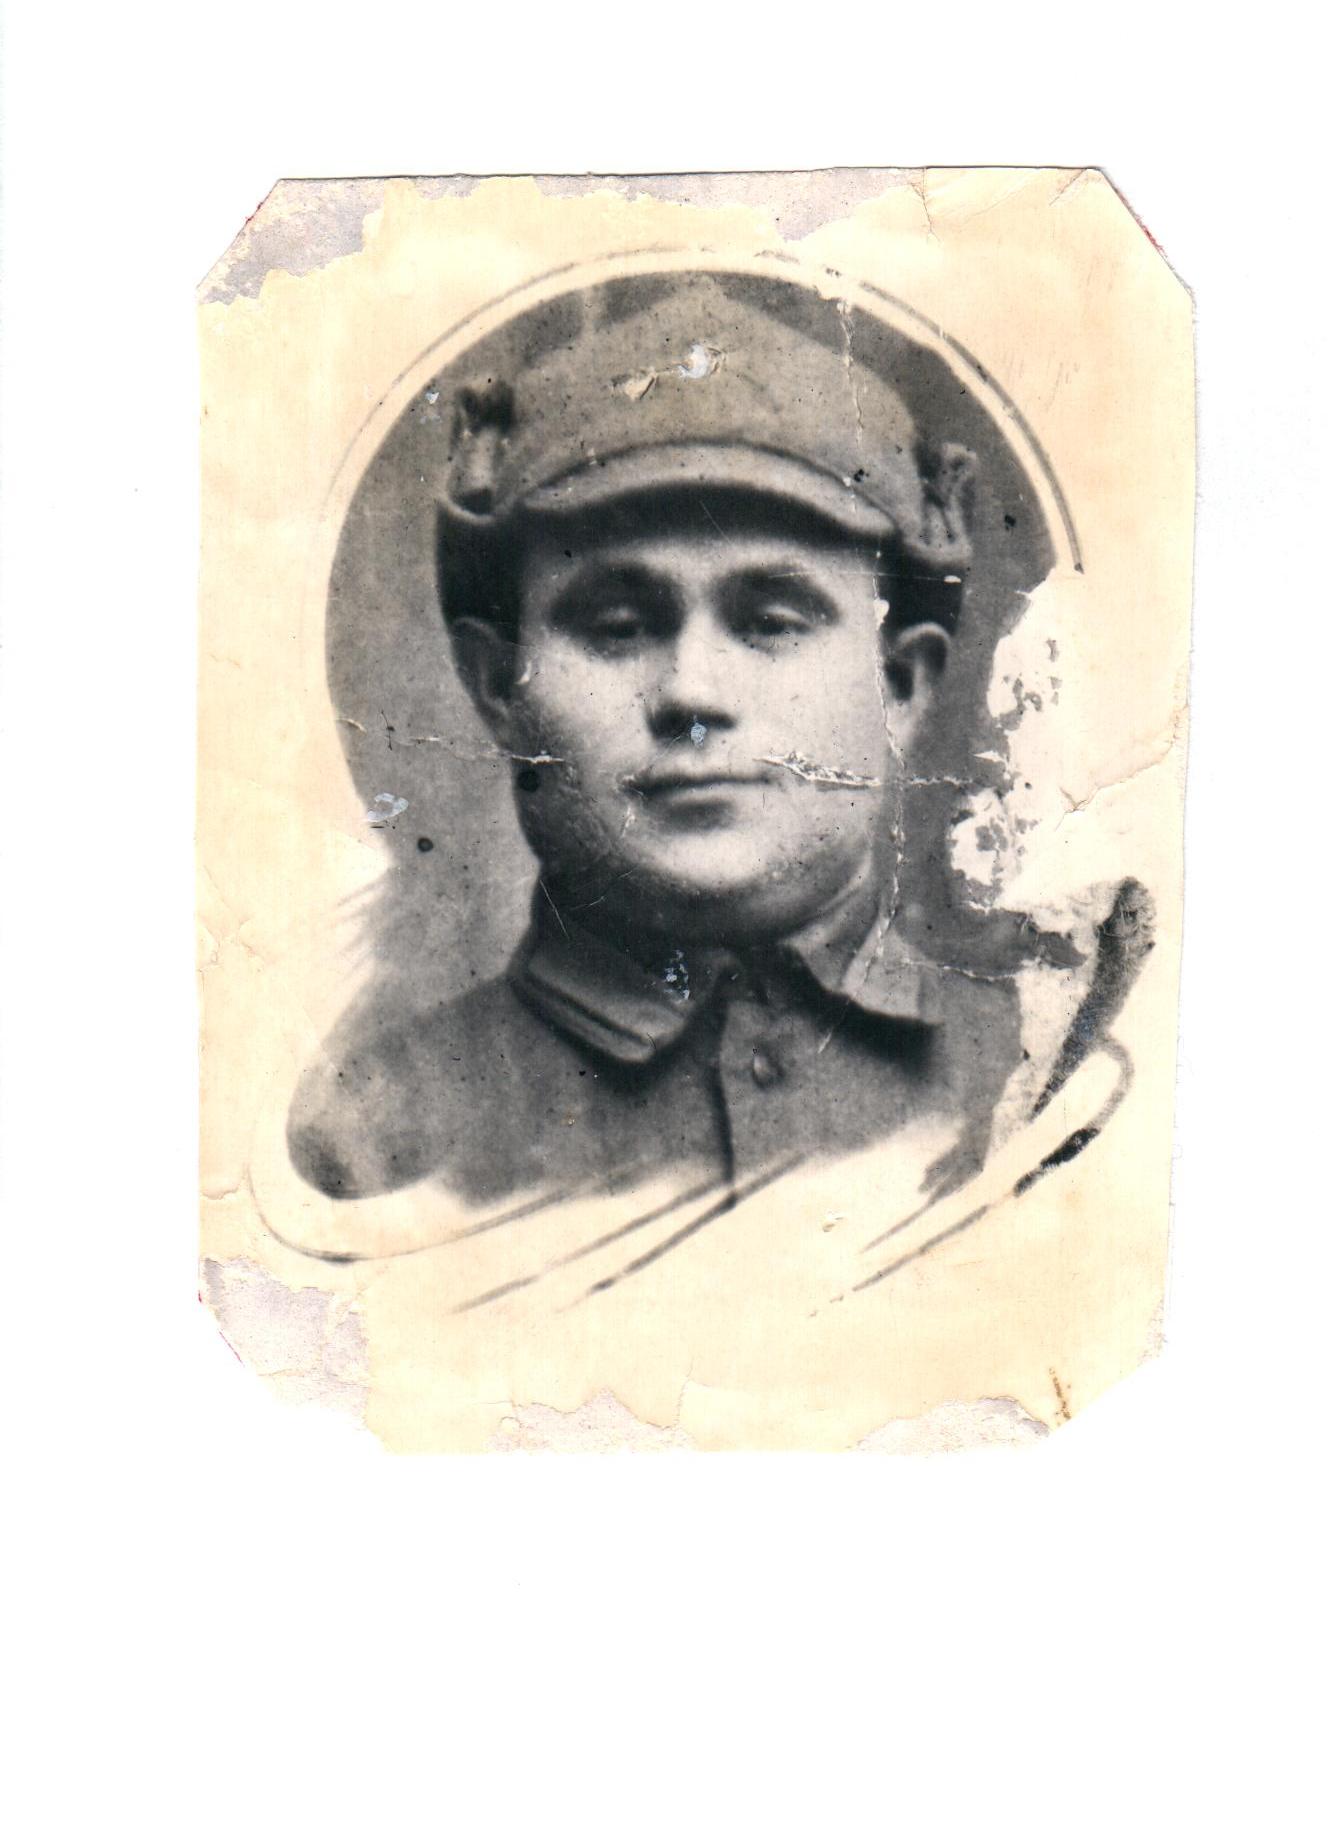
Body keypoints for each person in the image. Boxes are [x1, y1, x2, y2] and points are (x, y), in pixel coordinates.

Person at [288, 270, 1037, 1208]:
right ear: (497, 683)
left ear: (901, 680)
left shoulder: (1046, 1078)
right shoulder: (367, 1143)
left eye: (770, 623)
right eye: (617, 627)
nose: (691, 692)